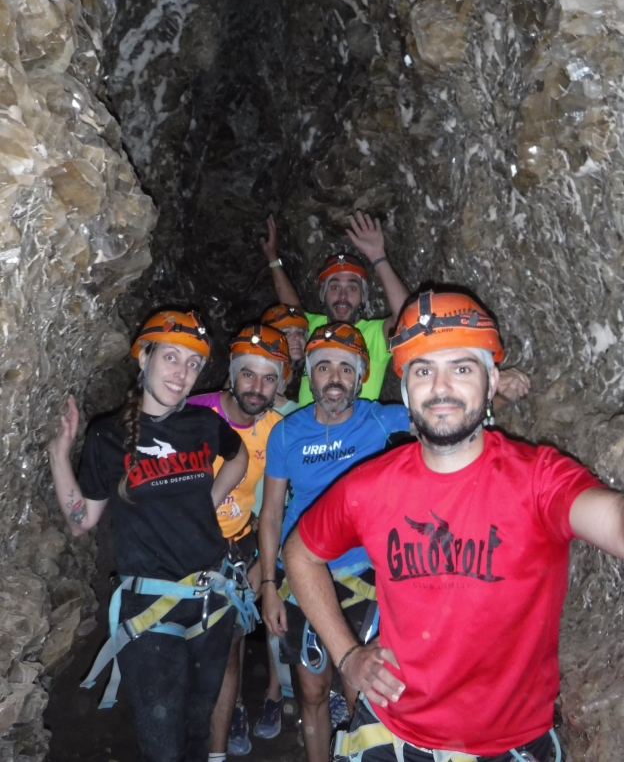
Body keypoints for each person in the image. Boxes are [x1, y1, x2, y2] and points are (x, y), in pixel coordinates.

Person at [282, 290, 624, 762]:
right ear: (407, 389)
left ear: (491, 382)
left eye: (462, 368)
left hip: (507, 746)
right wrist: (348, 656)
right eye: (424, 370)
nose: (442, 386)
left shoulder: (538, 479)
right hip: (393, 735)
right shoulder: (369, 487)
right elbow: (300, 553)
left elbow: (618, 521)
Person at [48, 310, 250, 762]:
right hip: (148, 606)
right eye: (171, 358)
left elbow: (237, 458)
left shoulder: (202, 424)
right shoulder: (108, 436)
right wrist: (61, 457)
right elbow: (83, 520)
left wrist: (210, 504)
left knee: (198, 728)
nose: (182, 373)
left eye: (193, 364)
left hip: (209, 601)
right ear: (144, 358)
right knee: (162, 743)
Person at [259, 322, 411, 762]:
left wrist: (497, 389)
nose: (334, 378)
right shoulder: (287, 433)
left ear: (360, 377)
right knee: (311, 690)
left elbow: (443, 417)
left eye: (346, 369)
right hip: (304, 572)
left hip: (364, 571)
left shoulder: (381, 418)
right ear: (310, 375)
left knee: (362, 685)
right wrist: (269, 585)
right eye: (323, 367)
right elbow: (270, 514)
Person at [260, 213, 531, 409]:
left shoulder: (373, 334)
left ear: (363, 296)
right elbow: (290, 307)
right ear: (322, 294)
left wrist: (378, 257)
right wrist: (273, 259)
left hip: (356, 443)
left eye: (352, 288)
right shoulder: (311, 328)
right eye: (334, 287)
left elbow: (409, 318)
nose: (343, 296)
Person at [188, 324, 290, 757]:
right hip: (183, 547)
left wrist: (266, 573)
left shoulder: (276, 430)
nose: (258, 386)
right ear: (232, 374)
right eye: (249, 374)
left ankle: (217, 745)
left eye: (269, 377)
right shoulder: (194, 412)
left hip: (235, 547)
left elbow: (274, 507)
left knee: (226, 649)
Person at [261, 304, 309, 413]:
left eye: (300, 333)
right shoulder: (249, 375)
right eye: (286, 332)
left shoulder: (311, 382)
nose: (297, 337)